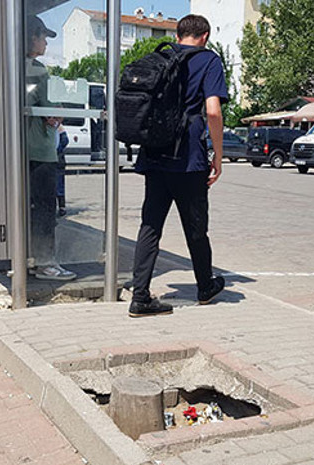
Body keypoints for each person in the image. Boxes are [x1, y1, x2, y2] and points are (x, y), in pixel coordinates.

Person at [128, 14, 228, 318]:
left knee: (150, 225)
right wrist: (218, 156)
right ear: (205, 36)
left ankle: (140, 297)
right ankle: (204, 287)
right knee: (196, 227)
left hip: (155, 154)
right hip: (188, 159)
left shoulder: (159, 57)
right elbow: (213, 111)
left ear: (178, 34)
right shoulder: (209, 61)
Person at [26, 16, 76, 281]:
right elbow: (52, 112)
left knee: (26, 207)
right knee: (45, 208)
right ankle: (45, 262)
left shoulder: (5, 68)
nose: (45, 42)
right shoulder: (37, 71)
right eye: (43, 36)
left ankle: (27, 256)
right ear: (31, 37)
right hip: (40, 150)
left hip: (18, 151)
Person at [56, 123, 68, 216]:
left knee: (59, 184)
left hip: (58, 159)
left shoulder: (59, 126)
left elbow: (65, 141)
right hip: (57, 159)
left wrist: (56, 150)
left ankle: (61, 206)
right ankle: (61, 206)